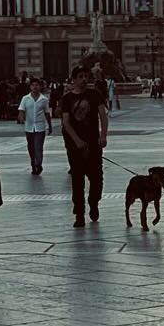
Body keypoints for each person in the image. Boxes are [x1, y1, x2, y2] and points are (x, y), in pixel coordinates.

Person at [60, 68, 108, 227]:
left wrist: (103, 136)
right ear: (73, 79)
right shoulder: (66, 99)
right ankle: (79, 213)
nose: (84, 79)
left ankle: (93, 202)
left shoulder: (94, 95)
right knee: (77, 179)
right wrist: (77, 141)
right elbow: (66, 122)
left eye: (86, 76)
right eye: (80, 76)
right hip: (75, 146)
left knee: (96, 178)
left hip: (94, 143)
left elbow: (103, 115)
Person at [19, 78, 52, 176]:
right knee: (31, 147)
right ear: (30, 87)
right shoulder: (25, 98)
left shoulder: (44, 99)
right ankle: (33, 163)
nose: (35, 87)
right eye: (33, 85)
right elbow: (21, 110)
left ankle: (39, 164)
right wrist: (21, 117)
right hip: (29, 127)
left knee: (38, 147)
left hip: (40, 127)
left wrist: (49, 125)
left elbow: (47, 113)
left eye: (37, 85)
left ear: (40, 87)